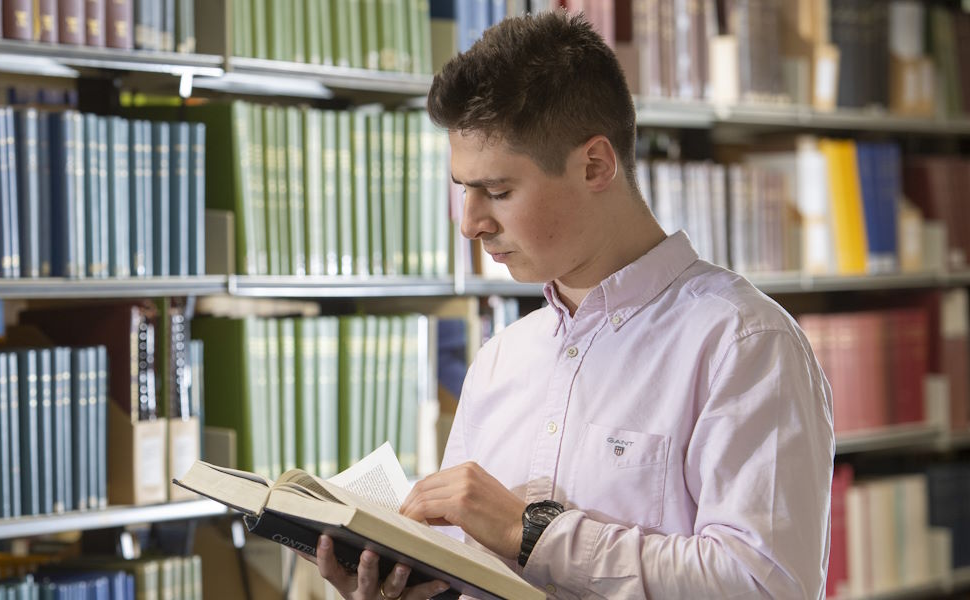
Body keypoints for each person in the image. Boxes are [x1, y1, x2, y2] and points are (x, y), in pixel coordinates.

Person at [313, 10, 834, 600]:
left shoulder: (744, 344)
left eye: (499, 192)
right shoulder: (499, 360)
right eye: (464, 190)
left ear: (595, 165)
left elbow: (765, 587)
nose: (470, 224)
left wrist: (528, 531)